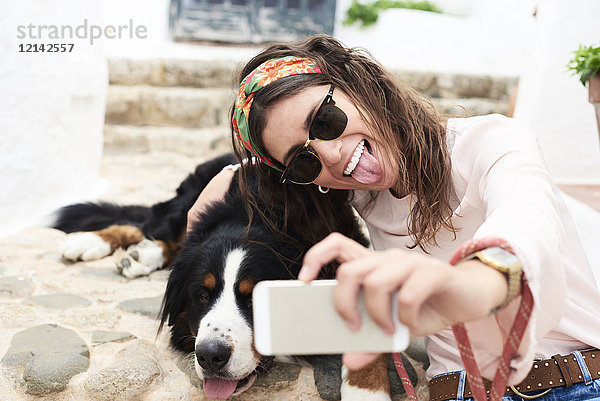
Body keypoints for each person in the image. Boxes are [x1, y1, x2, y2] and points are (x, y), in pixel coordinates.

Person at [187, 35, 600, 400]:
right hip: (456, 390)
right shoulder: (362, 199)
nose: (330, 155)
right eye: (302, 161)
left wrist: (466, 285)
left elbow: (527, 218)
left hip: (576, 380)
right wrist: (223, 183)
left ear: (356, 83)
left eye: (324, 119)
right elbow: (240, 185)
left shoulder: (493, 141)